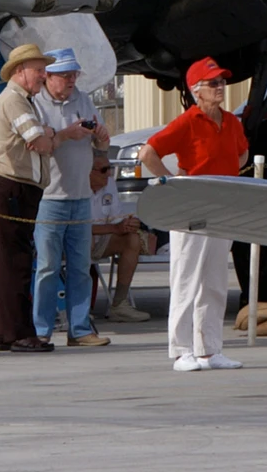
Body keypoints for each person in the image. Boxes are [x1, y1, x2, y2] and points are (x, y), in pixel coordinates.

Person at [140, 56, 250, 372]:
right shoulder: (187, 122)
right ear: (196, 90)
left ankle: (209, 349)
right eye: (213, 83)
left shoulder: (232, 121)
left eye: (222, 82)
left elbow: (241, 153)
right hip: (191, 205)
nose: (220, 87)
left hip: (221, 203)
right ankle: (181, 350)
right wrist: (173, 184)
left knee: (214, 279)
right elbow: (148, 152)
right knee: (187, 277)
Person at [31, 48, 112, 348]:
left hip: (80, 195)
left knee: (81, 266)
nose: (71, 80)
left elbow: (103, 144)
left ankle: (80, 329)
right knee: (47, 267)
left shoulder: (83, 99)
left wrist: (101, 136)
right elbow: (38, 144)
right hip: (49, 198)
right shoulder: (35, 103)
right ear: (48, 77)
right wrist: (67, 133)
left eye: (74, 74)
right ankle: (41, 329)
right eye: (65, 75)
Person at [0, 42, 54, 353]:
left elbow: (41, 140)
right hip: (13, 187)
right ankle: (19, 333)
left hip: (17, 188)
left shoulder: (24, 101)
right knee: (17, 262)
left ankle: (7, 332)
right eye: (38, 69)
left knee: (13, 261)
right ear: (20, 71)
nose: (43, 75)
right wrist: (48, 135)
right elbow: (39, 142)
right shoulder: (15, 101)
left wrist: (47, 135)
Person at [88, 151, 152, 322]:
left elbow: (117, 218)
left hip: (101, 238)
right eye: (103, 170)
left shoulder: (109, 184)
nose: (108, 174)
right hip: (74, 241)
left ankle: (119, 304)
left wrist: (128, 224)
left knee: (132, 238)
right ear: (87, 171)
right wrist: (114, 227)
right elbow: (75, 227)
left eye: (109, 169)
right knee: (83, 240)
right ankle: (78, 307)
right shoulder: (74, 187)